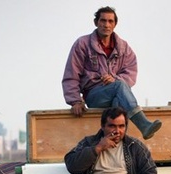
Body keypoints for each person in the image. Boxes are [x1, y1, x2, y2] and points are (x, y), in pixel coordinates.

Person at [62, 6, 162, 140]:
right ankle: (143, 125)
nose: (106, 25)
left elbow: (131, 73)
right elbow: (71, 74)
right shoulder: (82, 44)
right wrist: (75, 101)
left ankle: (116, 141)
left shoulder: (123, 47)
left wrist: (114, 79)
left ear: (115, 24)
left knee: (118, 100)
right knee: (119, 85)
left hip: (117, 95)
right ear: (96, 22)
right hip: (94, 95)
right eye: (103, 21)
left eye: (110, 21)